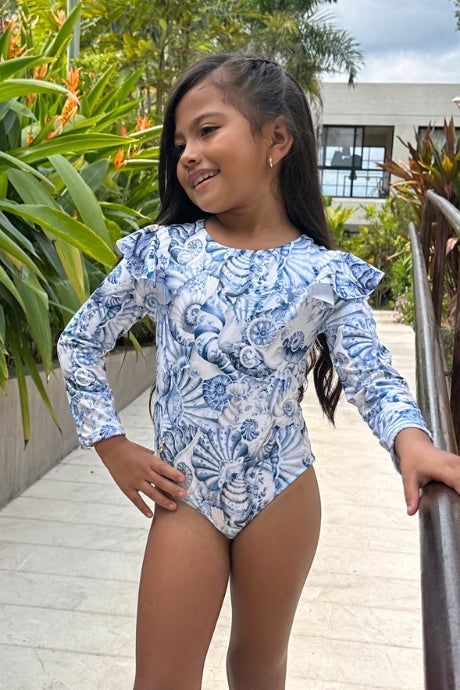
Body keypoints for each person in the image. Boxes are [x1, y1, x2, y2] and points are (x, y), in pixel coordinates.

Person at [57, 53, 460, 690]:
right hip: (187, 494)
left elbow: (371, 373)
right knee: (160, 679)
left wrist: (413, 443)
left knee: (257, 667)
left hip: (283, 493)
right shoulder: (164, 253)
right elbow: (80, 340)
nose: (188, 154)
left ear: (276, 139)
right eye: (180, 142)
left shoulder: (324, 272)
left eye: (207, 130)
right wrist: (110, 443)